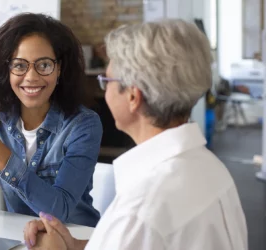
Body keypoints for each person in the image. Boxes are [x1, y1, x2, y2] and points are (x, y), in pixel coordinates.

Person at [24, 19, 248, 250]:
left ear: (133, 96)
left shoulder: (142, 208)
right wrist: (74, 245)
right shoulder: (210, 167)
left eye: (107, 80)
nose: (105, 88)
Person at [0, 13, 103, 228]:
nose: (31, 77)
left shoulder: (83, 124)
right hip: (21, 239)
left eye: (44, 65)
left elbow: (60, 211)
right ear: (7, 71)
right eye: (20, 65)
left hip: (77, 239)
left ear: (60, 69)